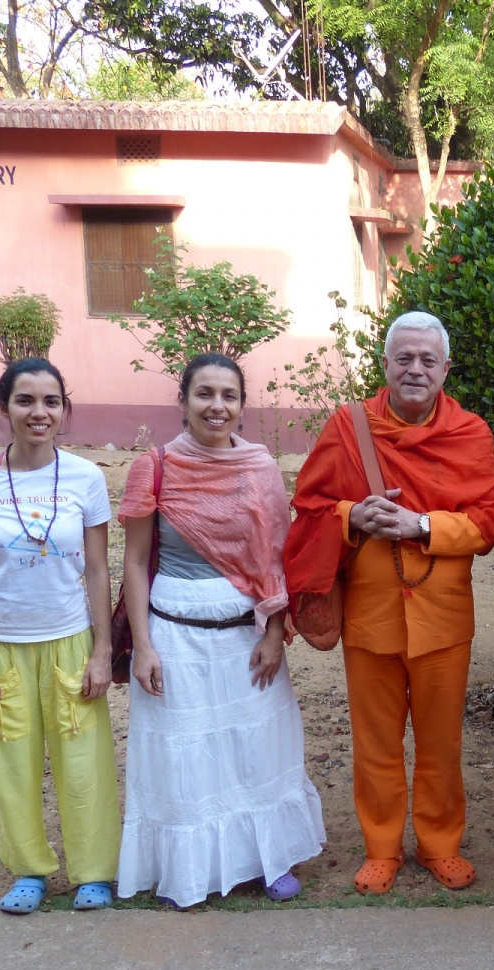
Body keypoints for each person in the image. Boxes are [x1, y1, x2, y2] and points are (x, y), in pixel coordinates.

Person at [284, 311, 494, 895]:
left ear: (445, 369)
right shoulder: (348, 426)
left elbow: (488, 522)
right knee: (376, 743)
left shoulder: (470, 434)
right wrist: (351, 515)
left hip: (443, 618)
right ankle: (382, 847)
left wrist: (422, 524)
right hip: (371, 615)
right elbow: (309, 507)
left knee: (441, 743)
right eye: (403, 358)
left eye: (428, 360)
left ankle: (440, 844)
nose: (415, 369)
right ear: (384, 363)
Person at [116, 353, 324, 909]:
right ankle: (189, 871)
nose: (217, 406)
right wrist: (143, 646)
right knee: (185, 756)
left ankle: (268, 859)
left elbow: (276, 556)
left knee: (255, 748)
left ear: (241, 406)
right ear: (183, 401)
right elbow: (134, 562)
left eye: (229, 395)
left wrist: (275, 633)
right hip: (173, 637)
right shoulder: (153, 467)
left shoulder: (259, 467)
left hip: (245, 639)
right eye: (204, 393)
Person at [0, 358, 119, 915]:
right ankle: (29, 870)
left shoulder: (86, 478)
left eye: (51, 401)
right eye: (25, 400)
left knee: (84, 763)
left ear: (64, 410)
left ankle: (94, 872)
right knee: (9, 766)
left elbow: (98, 570)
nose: (38, 412)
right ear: (4, 408)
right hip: (0, 645)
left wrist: (102, 651)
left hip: (70, 641)